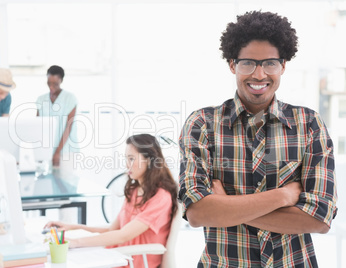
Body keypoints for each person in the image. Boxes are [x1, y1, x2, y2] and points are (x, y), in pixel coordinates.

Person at [178, 11, 338, 268]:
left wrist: (226, 208)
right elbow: (197, 213)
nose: (260, 75)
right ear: (233, 64)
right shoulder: (202, 124)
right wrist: (284, 196)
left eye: (270, 63)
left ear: (283, 65)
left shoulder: (309, 124)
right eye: (248, 63)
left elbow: (319, 219)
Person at [44, 134, 178, 268]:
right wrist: (72, 227)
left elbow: (122, 236)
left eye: (131, 159)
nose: (127, 164)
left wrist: (74, 242)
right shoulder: (134, 190)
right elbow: (111, 230)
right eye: (126, 159)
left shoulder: (160, 198)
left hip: (133, 262)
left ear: (149, 161)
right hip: (118, 257)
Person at [36, 65, 79, 168]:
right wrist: (38, 151)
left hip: (66, 151)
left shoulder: (70, 98)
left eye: (55, 84)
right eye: (49, 83)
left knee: (67, 182)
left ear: (61, 80)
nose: (51, 87)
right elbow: (37, 126)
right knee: (47, 183)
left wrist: (57, 152)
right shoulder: (41, 99)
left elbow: (69, 127)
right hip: (46, 151)